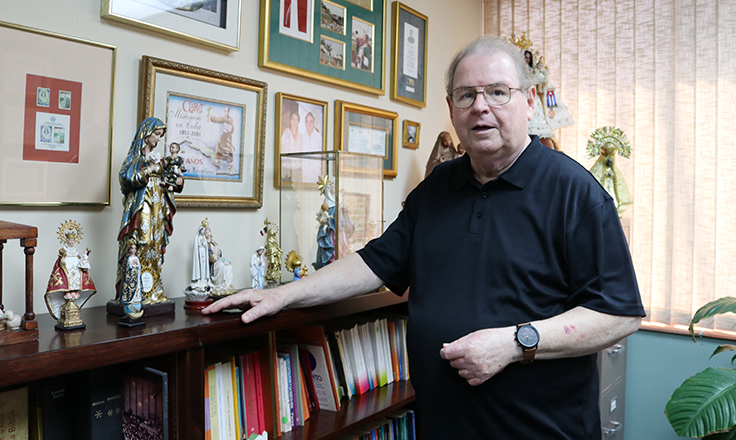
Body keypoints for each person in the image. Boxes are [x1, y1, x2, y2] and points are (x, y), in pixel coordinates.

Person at [202, 35, 644, 438]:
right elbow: (374, 263)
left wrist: (515, 343)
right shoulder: (437, 187)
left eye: (497, 92)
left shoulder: (575, 193)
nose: (480, 106)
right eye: (466, 94)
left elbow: (618, 314)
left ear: (529, 102)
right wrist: (283, 295)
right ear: (451, 109)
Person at [117, 117, 181, 307]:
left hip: (158, 207)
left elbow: (171, 176)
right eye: (156, 135)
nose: (158, 140)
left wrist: (175, 182)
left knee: (154, 242)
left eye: (160, 136)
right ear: (146, 134)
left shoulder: (161, 159)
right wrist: (149, 169)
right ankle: (136, 289)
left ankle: (154, 289)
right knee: (142, 240)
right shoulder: (135, 158)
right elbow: (126, 179)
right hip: (142, 205)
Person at [45, 225, 97, 322]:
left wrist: (84, 258)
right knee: (67, 283)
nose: (72, 242)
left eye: (73, 240)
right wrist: (63, 260)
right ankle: (67, 294)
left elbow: (80, 261)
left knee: (75, 284)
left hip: (76, 272)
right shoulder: (64, 251)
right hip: (67, 271)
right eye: (70, 240)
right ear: (67, 240)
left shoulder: (75, 252)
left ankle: (73, 295)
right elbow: (60, 263)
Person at [208, 106, 236, 172]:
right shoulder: (224, 118)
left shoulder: (230, 119)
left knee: (228, 148)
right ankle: (217, 158)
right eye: (225, 111)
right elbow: (218, 119)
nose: (225, 112)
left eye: (226, 111)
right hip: (223, 135)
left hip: (228, 136)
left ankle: (230, 162)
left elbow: (232, 128)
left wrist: (229, 129)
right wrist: (211, 117)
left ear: (228, 112)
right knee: (219, 144)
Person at [280, 110, 304, 182]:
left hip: (297, 170)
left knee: (299, 192)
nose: (295, 122)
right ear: (290, 121)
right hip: (286, 169)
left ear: (298, 122)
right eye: (293, 119)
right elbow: (281, 150)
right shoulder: (286, 134)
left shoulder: (301, 137)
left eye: (296, 120)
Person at [302, 112, 323, 183]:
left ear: (314, 123)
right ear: (305, 123)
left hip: (315, 173)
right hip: (304, 172)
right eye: (307, 121)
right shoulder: (303, 137)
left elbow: (320, 158)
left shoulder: (318, 137)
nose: (309, 124)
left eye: (311, 121)